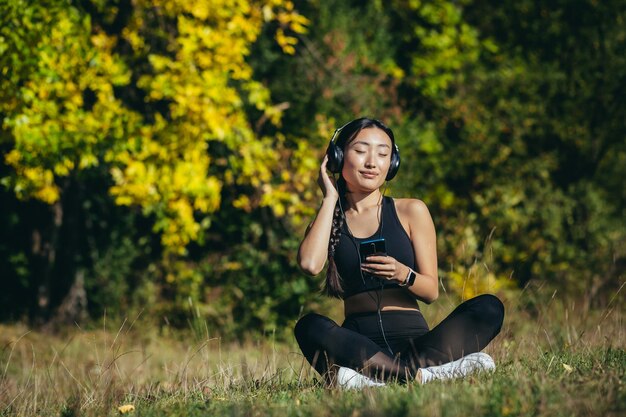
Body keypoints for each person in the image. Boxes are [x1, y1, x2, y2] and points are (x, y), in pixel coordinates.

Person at [294, 117, 504, 388]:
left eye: (383, 154)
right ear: (337, 157)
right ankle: (419, 376)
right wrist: (329, 198)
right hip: (358, 345)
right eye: (360, 151)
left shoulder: (411, 210)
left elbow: (431, 292)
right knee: (309, 326)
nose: (372, 162)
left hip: (417, 343)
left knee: (489, 307)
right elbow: (310, 264)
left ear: (392, 164)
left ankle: (373, 379)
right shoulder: (327, 219)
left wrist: (404, 274)